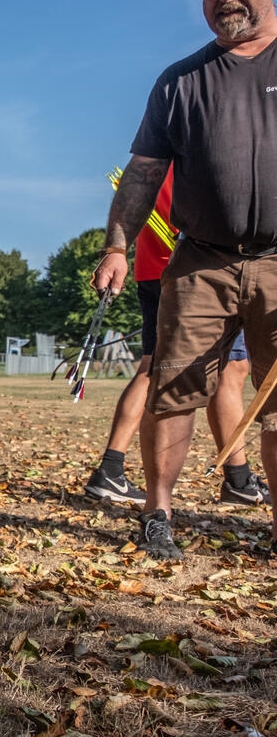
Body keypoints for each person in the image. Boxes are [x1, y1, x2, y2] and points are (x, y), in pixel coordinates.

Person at [93, 0, 277, 560]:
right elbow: (143, 174)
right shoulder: (180, 80)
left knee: (276, 404)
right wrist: (117, 247)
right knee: (172, 390)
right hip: (200, 262)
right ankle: (157, 513)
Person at [86, 169, 269, 506]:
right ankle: (237, 478)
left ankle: (237, 476)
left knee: (213, 368)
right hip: (190, 271)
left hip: (171, 268)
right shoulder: (185, 159)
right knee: (170, 369)